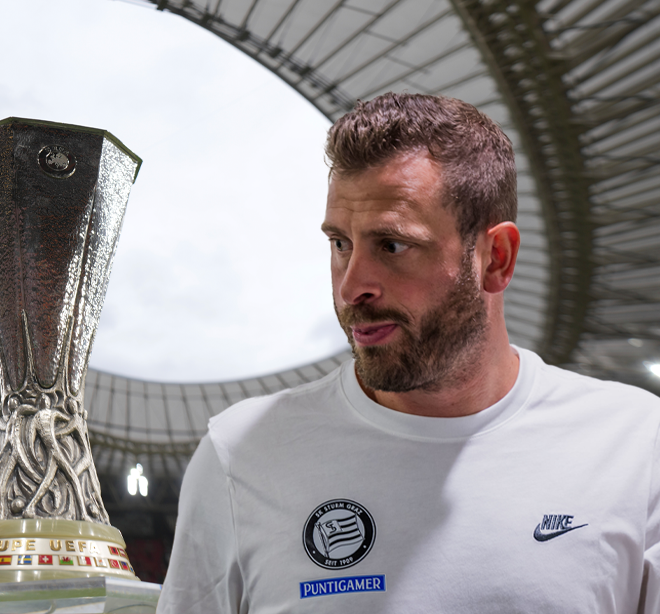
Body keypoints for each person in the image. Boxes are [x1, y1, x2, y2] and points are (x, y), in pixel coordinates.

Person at [158, 93, 660, 612]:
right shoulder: (242, 455)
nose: (352, 287)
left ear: (496, 259)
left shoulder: (637, 445)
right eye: (340, 244)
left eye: (392, 245)